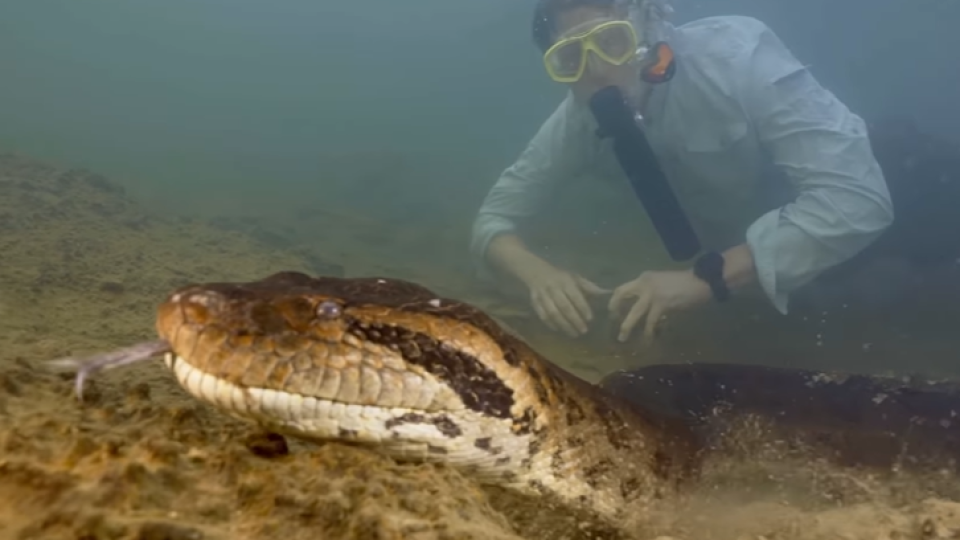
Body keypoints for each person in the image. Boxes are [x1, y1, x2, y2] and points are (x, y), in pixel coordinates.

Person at [469, 0, 894, 343]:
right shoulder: (577, 123)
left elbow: (859, 200)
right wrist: (538, 275)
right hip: (759, 256)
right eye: (571, 58)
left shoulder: (738, 61)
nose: (597, 70)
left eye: (611, 42)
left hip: (884, 196)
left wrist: (702, 281)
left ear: (647, 31)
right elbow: (492, 220)